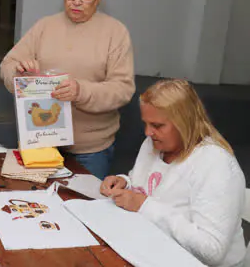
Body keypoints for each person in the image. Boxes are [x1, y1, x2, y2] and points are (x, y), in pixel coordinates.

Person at [0, 0, 135, 179]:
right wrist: (20, 73)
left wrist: (80, 91)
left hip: (91, 149)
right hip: (41, 141)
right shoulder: (45, 26)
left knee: (82, 207)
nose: (76, 2)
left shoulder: (115, 33)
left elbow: (122, 89)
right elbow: (7, 65)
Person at [101, 79, 246, 266]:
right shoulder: (155, 143)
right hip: (155, 249)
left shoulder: (217, 165)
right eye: (145, 123)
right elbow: (148, 185)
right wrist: (125, 183)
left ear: (184, 122)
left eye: (157, 125)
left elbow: (212, 251)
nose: (147, 132)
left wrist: (144, 206)